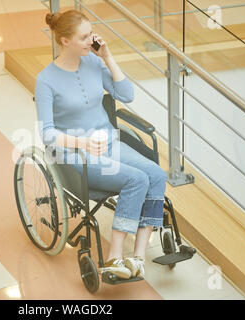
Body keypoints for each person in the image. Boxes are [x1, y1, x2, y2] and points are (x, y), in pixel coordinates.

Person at [35, 9, 168, 280]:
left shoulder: (94, 63)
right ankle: (114, 257)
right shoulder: (45, 80)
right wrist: (81, 142)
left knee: (156, 173)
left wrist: (106, 56)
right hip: (75, 154)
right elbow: (47, 133)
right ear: (64, 41)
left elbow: (126, 95)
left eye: (91, 35)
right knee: (137, 180)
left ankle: (138, 257)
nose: (91, 40)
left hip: (109, 142)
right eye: (84, 37)